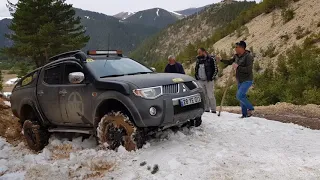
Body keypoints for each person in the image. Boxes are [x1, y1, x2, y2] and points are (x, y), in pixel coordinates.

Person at [216, 41, 254, 118]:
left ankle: (250, 108)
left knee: (239, 96)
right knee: (242, 96)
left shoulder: (248, 57)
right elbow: (230, 62)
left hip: (247, 80)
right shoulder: (236, 56)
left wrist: (238, 67)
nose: (235, 49)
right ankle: (245, 114)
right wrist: (221, 60)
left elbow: (248, 70)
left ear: (242, 48)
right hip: (239, 80)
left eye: (237, 47)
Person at [195, 48, 218, 113]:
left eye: (199, 52)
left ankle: (213, 109)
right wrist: (197, 76)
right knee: (204, 95)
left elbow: (215, 69)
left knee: (210, 95)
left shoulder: (211, 59)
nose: (198, 54)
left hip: (208, 81)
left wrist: (211, 78)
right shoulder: (198, 60)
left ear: (204, 52)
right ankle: (206, 109)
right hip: (200, 80)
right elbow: (196, 69)